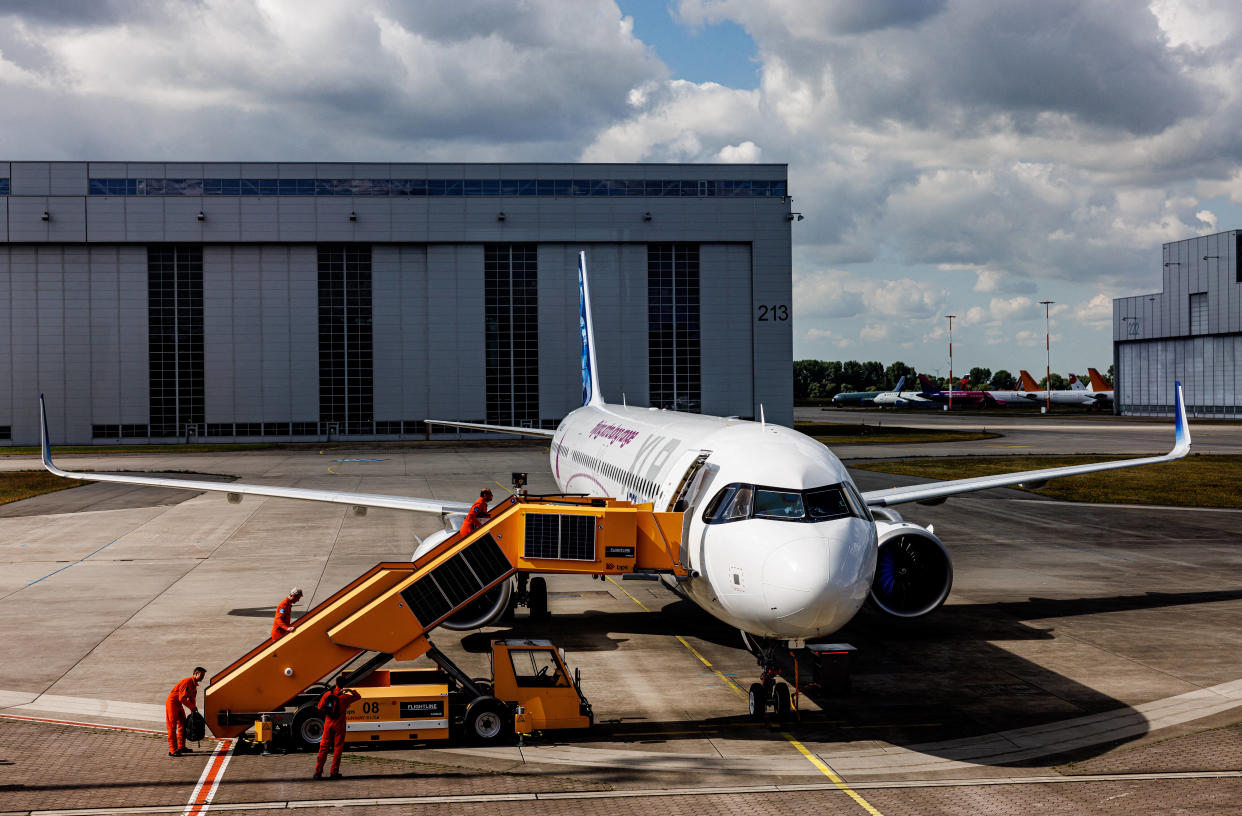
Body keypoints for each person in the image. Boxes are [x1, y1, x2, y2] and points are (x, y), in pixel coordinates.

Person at [313, 677, 361, 780]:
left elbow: (319, 707)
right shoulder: (345, 697)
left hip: (328, 723)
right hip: (339, 725)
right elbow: (358, 696)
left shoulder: (327, 694)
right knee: (338, 748)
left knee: (324, 747)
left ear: (336, 683)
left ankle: (318, 772)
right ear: (344, 685)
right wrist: (350, 691)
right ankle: (334, 772)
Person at [166, 667, 206, 757]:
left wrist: (193, 711)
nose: (203, 677)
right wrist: (192, 707)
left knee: (183, 724)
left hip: (179, 705)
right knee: (172, 727)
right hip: (172, 703)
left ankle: (181, 747)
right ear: (196, 673)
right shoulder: (187, 682)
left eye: (203, 675)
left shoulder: (194, 685)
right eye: (201, 675)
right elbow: (182, 698)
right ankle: (172, 750)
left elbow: (192, 699)